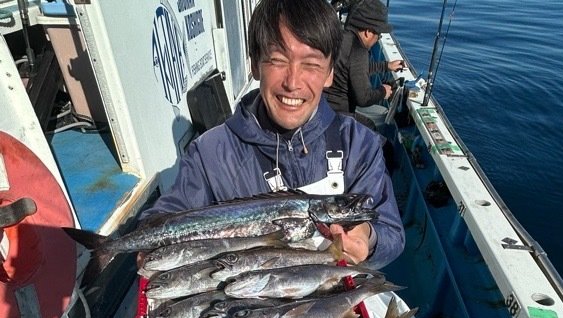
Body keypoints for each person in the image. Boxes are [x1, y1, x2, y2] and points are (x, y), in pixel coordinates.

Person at [140, 0, 405, 269]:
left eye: (311, 65)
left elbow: (391, 231)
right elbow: (171, 210)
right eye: (278, 60)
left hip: (336, 294)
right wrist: (150, 234)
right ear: (255, 65)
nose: (292, 82)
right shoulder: (210, 153)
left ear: (330, 74)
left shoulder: (359, 144)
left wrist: (369, 238)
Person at [325, 0, 404, 129]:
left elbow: (353, 69)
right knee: (379, 139)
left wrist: (386, 66)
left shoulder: (339, 38)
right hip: (338, 117)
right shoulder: (358, 50)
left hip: (323, 109)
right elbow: (364, 98)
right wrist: (383, 91)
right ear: (368, 32)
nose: (377, 39)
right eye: (378, 36)